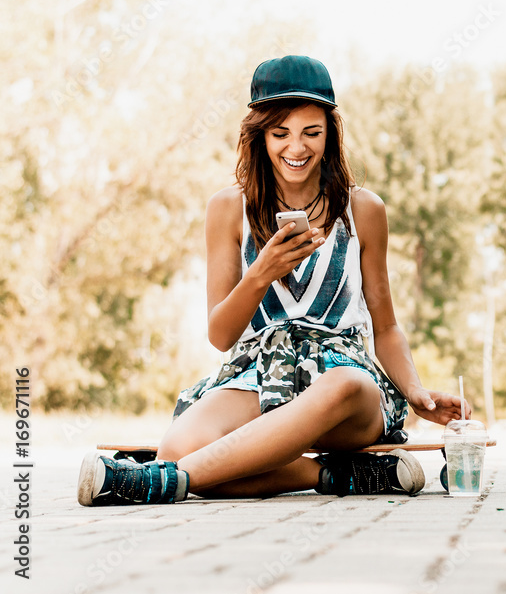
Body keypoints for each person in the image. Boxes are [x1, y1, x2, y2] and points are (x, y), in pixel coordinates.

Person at [77, 55, 469, 506]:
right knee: (178, 449)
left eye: (311, 133)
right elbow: (222, 336)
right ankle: (338, 476)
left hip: (347, 388)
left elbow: (385, 327)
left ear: (331, 133)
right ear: (259, 135)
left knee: (341, 383)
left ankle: (160, 484)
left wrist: (415, 391)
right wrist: (262, 272)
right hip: (262, 374)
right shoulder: (227, 209)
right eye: (280, 134)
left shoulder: (364, 210)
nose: (296, 148)